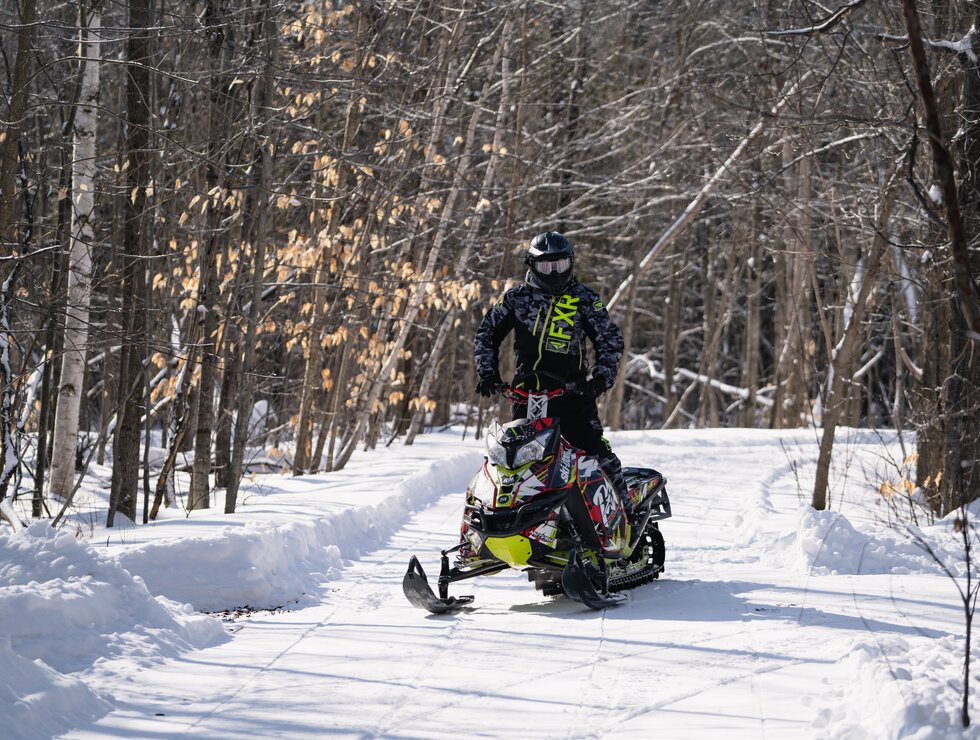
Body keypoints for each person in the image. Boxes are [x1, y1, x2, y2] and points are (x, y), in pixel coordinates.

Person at [473, 231, 631, 515]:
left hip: (573, 394)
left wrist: (600, 379)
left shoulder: (584, 298)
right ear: (532, 266)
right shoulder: (517, 298)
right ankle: (525, 524)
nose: (555, 272)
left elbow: (609, 339)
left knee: (596, 454)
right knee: (518, 462)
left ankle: (626, 517)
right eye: (547, 266)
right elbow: (488, 333)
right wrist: (487, 373)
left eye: (561, 265)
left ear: (571, 264)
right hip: (527, 394)